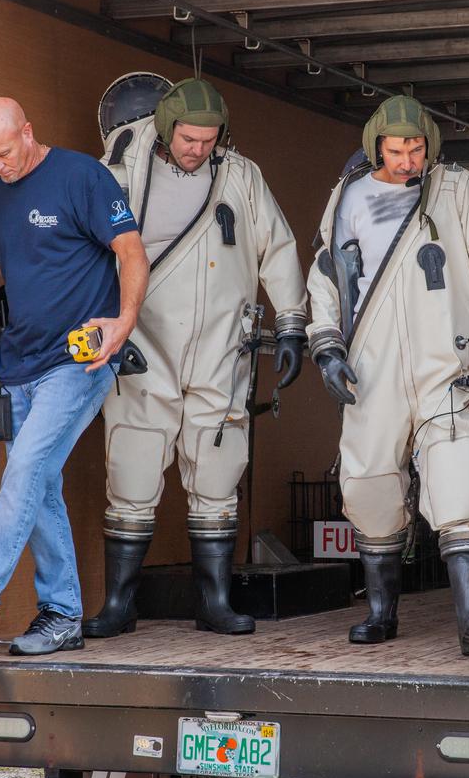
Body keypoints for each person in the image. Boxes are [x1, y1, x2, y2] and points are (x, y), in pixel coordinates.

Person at [86, 76, 308, 638]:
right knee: (133, 463)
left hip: (219, 345)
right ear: (167, 128)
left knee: (218, 466)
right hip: (144, 343)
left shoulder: (240, 176)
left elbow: (276, 248)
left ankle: (214, 601)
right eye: (188, 138)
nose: (197, 149)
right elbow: (85, 251)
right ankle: (119, 603)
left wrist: (291, 325)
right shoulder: (121, 171)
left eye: (209, 140)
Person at [306, 95, 469, 656]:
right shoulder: (348, 196)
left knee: (456, 472)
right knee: (369, 480)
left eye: (416, 148)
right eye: (396, 150)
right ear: (377, 146)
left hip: (443, 355)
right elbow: (326, 274)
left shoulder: (454, 188)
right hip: (371, 361)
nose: (407, 160)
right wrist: (326, 347)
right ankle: (381, 613)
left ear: (430, 145)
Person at [0, 97, 149, 660]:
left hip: (79, 360)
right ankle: (61, 614)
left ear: (28, 132)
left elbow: (130, 252)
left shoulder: (83, 176)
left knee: (25, 471)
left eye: (3, 153)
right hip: (19, 365)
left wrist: (123, 324)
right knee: (39, 484)